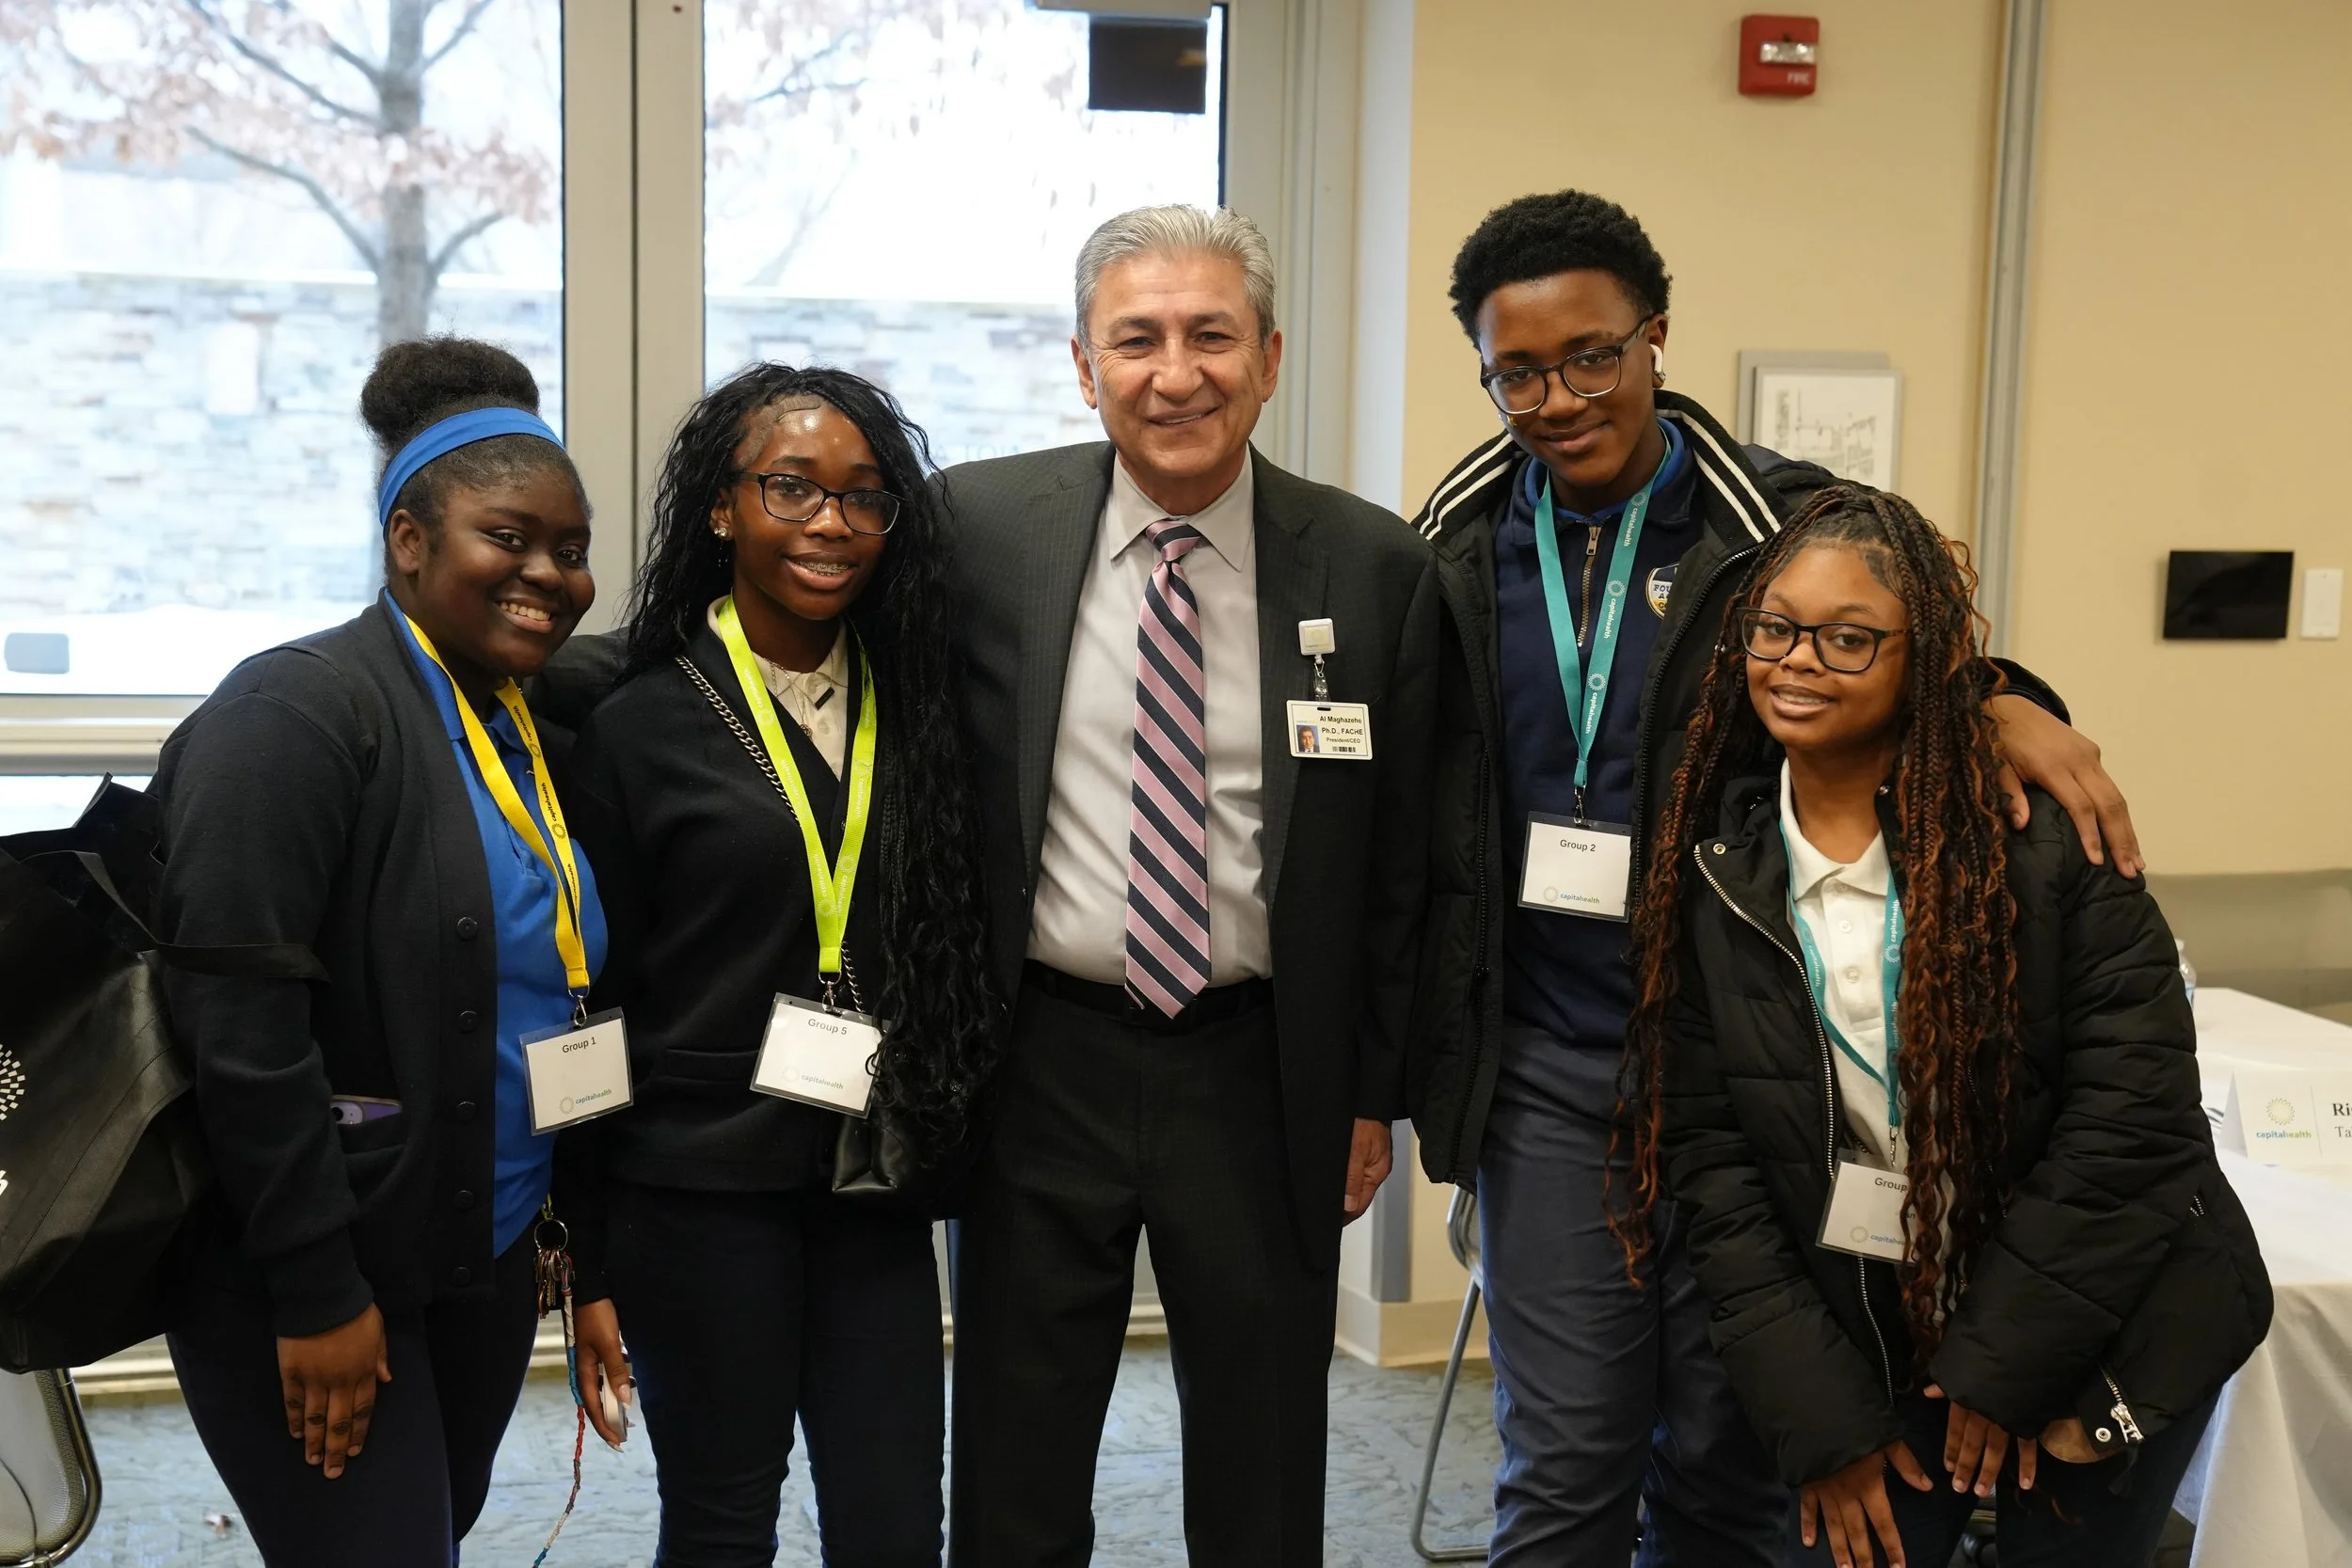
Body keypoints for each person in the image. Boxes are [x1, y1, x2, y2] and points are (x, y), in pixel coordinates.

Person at [1402, 190, 2146, 1564]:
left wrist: (2001, 697)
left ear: (1655, 336)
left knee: (1739, 1456)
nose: (1558, 398)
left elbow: (1897, 642)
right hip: (1551, 1068)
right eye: (1518, 371)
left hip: (1752, 1068)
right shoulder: (1448, 542)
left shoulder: (1778, 520)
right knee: (1566, 1458)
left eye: (1591, 356)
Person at [1616, 484, 2270, 1568]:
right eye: (1775, 628)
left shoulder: (2044, 843)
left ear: (1924, 660)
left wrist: (1998, 1368)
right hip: (1883, 1334)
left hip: (2114, 1309)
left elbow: (2133, 1123)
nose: (1797, 660)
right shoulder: (1716, 877)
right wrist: (1821, 1416)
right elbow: (1715, 1169)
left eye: (1848, 637)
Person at [942, 204, 1438, 1567]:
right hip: (1039, 1056)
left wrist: (1370, 1089)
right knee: (1014, 1445)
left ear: (1269, 358)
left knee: (1264, 1450)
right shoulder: (979, 529)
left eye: (1212, 336)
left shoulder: (1374, 567)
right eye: (1137, 339)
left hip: (1261, 1066)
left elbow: (1402, 862)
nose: (1177, 374)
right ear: (1082, 365)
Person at [151, 336, 605, 1563]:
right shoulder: (291, 712)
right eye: (508, 537)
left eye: (572, 549)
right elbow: (239, 1025)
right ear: (409, 538)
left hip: (481, 1253)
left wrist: (578, 1251)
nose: (550, 574)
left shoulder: (528, 726)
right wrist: (316, 1287)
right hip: (318, 1268)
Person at [556, 364, 999, 1564]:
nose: (830, 523)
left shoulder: (920, 706)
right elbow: (588, 1006)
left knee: (895, 1522)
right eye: (791, 487)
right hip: (693, 1193)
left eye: (863, 496)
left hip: (872, 1180)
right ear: (721, 506)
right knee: (720, 1520)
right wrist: (583, 1254)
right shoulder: (636, 726)